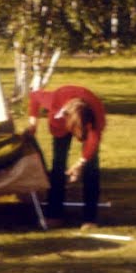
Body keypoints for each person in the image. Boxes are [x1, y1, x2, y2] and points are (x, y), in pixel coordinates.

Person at [27, 84, 106, 229]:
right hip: (60, 122)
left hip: (86, 118)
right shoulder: (55, 101)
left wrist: (80, 164)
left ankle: (90, 218)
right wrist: (33, 122)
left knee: (91, 168)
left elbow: (93, 141)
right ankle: (54, 215)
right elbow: (34, 96)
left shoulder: (95, 115)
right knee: (58, 164)